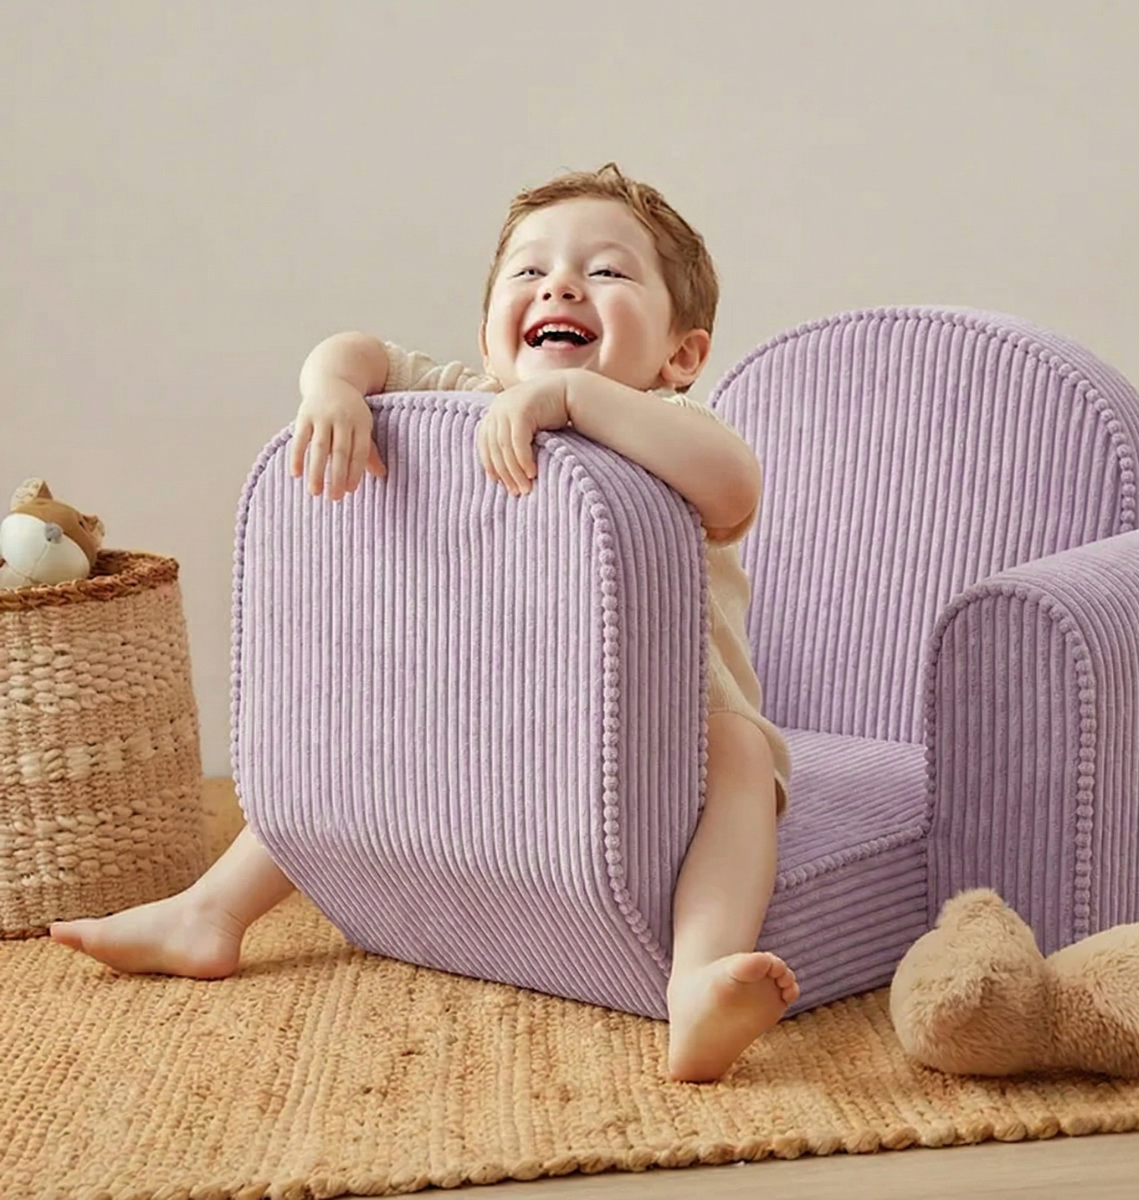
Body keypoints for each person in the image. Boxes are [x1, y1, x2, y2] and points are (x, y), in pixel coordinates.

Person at [49, 162, 798, 1083]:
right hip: (496, 725)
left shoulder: (669, 425)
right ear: (488, 334)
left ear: (681, 354)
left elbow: (735, 484)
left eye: (605, 272)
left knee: (744, 758)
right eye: (529, 273)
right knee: (347, 744)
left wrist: (575, 401)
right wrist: (330, 391)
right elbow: (358, 347)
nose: (560, 284)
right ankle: (212, 912)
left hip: (666, 737)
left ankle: (696, 981)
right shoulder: (465, 401)